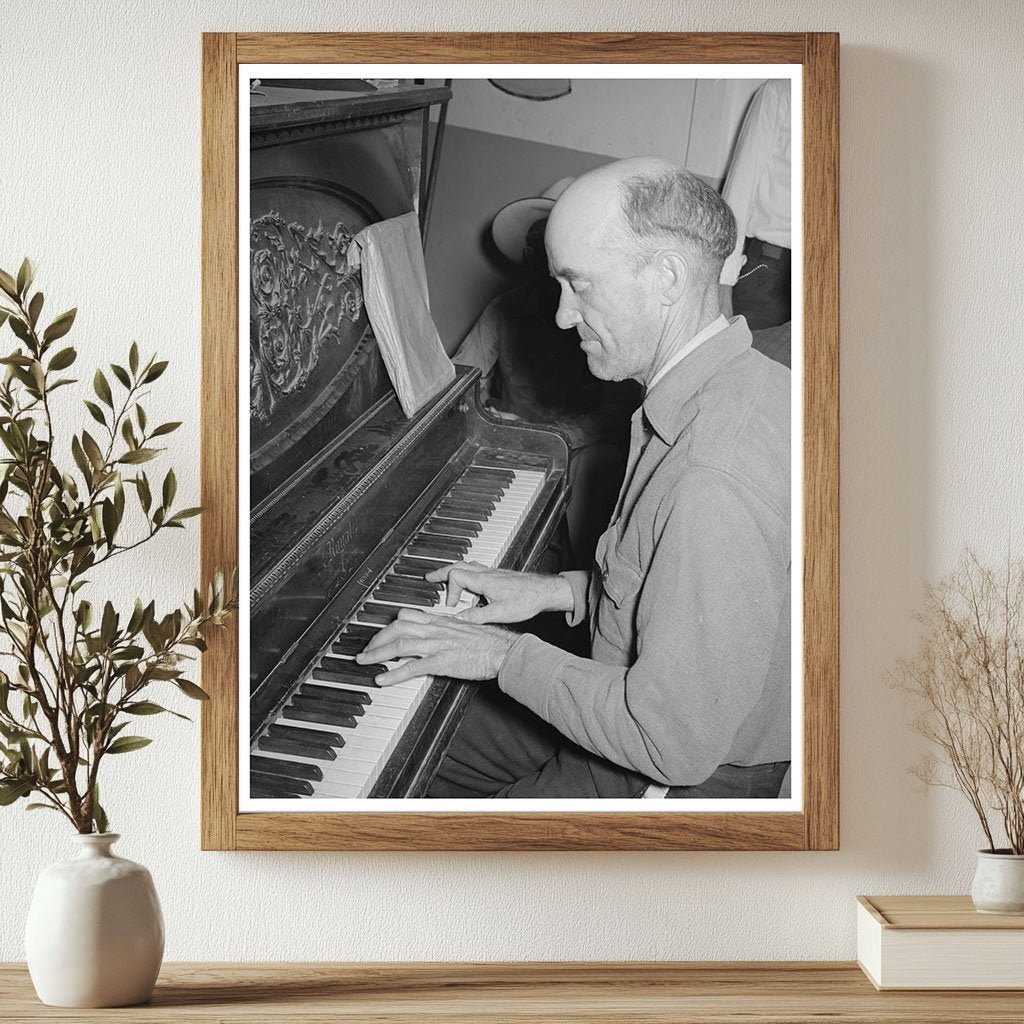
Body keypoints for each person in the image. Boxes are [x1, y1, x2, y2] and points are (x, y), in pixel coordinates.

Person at [357, 156, 792, 799]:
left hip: (667, 770)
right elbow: (686, 596)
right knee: (401, 725)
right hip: (643, 702)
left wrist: (503, 655)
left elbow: (669, 741)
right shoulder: (747, 383)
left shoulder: (710, 477)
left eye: (579, 285)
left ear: (667, 277)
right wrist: (556, 593)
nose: (562, 317)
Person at [453, 181, 640, 570]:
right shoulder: (504, 310)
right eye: (538, 252)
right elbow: (461, 379)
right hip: (508, 439)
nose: (545, 266)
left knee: (598, 471)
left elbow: (619, 413)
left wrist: (557, 438)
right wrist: (488, 419)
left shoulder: (602, 319)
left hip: (576, 450)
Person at [718, 79, 792, 333]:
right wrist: (723, 284)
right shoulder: (782, 92)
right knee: (742, 365)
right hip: (770, 269)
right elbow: (740, 186)